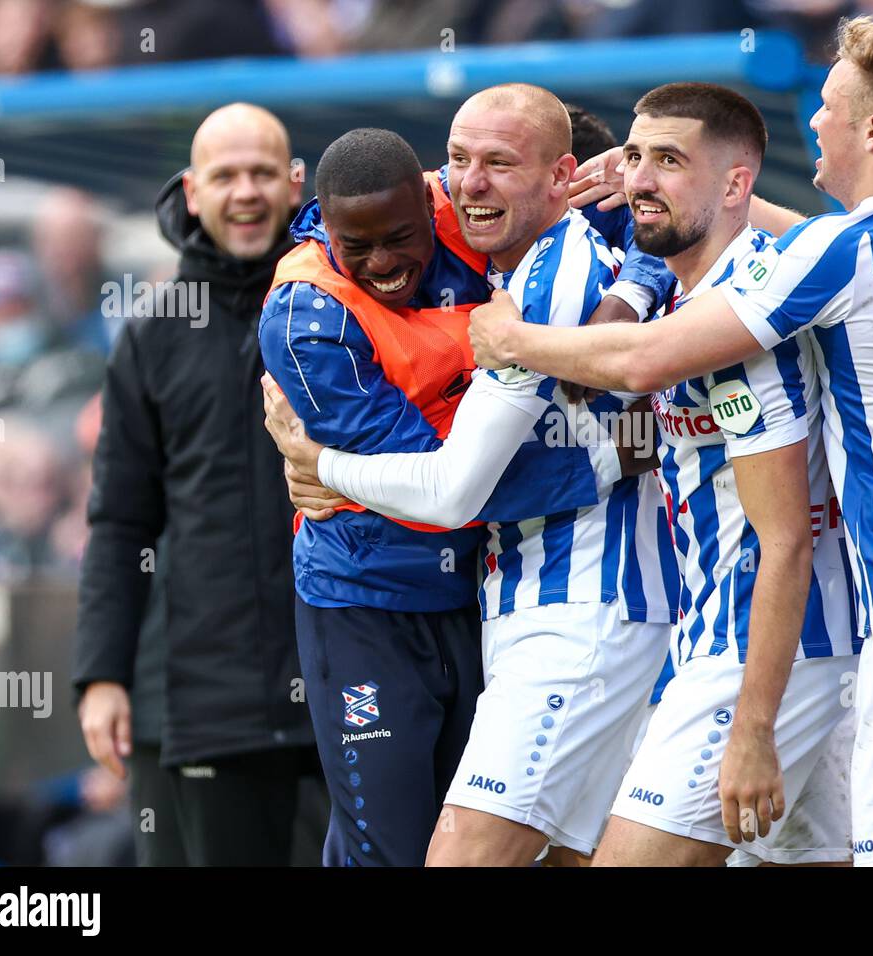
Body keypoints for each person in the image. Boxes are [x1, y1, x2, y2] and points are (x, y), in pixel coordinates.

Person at [469, 15, 873, 866]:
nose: (815, 123)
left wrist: (512, 339)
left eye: (830, 106)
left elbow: (645, 359)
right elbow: (824, 252)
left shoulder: (841, 249)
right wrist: (677, 176)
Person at [261, 86, 677, 867]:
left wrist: (633, 211)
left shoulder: (479, 216)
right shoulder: (307, 319)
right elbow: (441, 491)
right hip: (370, 602)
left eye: (401, 239)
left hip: (488, 598)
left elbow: (667, 230)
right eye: (361, 248)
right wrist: (608, 454)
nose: (385, 264)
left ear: (430, 207)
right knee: (395, 851)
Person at [584, 82, 859, 867]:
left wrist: (752, 727)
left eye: (669, 160)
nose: (639, 180)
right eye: (634, 158)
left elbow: (787, 539)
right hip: (786, 651)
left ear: (737, 184)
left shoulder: (743, 322)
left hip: (762, 653)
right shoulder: (705, 297)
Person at [73, 103, 324, 867]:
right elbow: (120, 521)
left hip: (337, 692)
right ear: (191, 190)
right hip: (189, 706)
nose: (244, 192)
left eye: (260, 173)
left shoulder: (343, 310)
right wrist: (103, 676)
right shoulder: (150, 335)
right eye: (224, 175)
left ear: (293, 185)